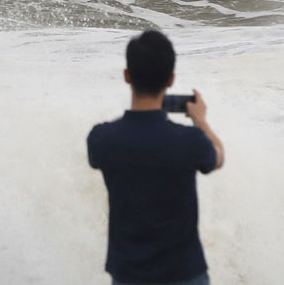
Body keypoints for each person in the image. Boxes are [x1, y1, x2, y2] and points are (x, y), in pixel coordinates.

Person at [87, 29, 225, 285]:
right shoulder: (190, 141)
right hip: (185, 275)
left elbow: (108, 147)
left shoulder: (102, 138)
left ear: (127, 76)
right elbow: (218, 156)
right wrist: (200, 120)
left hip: (128, 276)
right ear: (171, 79)